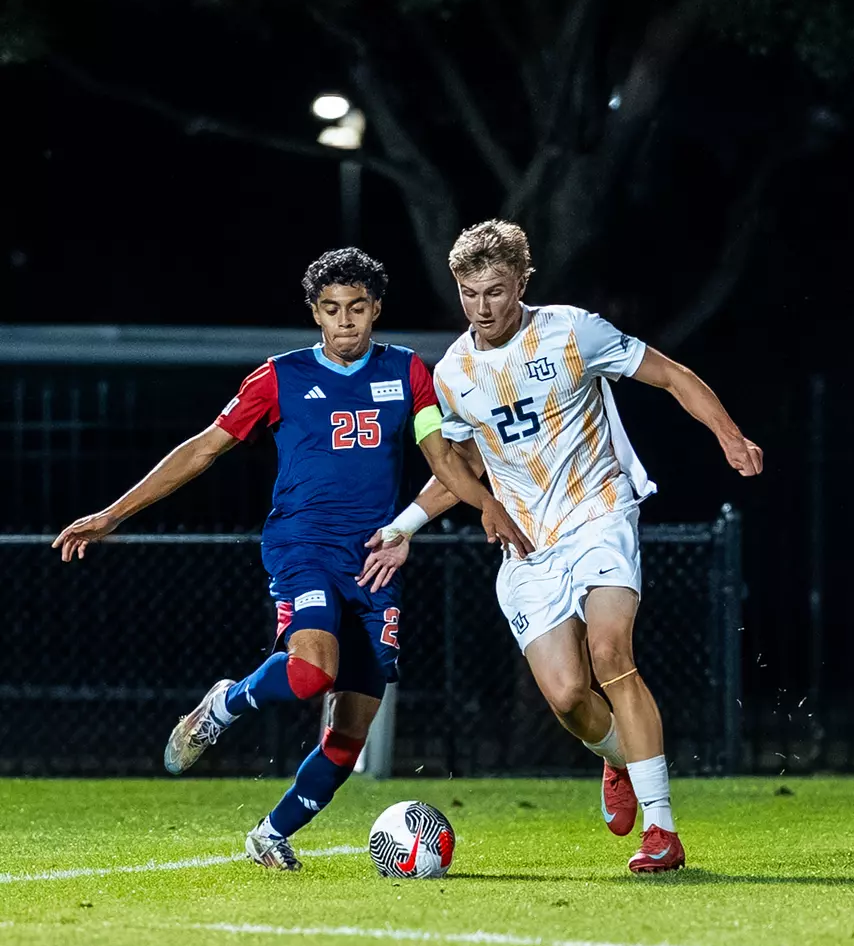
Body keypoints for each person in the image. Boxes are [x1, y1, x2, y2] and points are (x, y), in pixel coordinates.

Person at [52, 247, 530, 872]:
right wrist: (113, 514)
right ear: (315, 314)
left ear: (376, 309)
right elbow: (202, 451)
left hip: (374, 559)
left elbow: (441, 455)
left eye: (357, 308)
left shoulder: (411, 373)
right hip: (302, 547)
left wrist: (483, 504)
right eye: (332, 310)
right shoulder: (278, 377)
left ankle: (271, 833)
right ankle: (225, 703)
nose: (346, 322)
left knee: (350, 733)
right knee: (310, 673)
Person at [359, 220, 763, 874]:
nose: (481, 308)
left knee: (610, 652)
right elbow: (457, 468)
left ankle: (662, 832)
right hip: (529, 547)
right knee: (570, 697)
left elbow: (672, 375)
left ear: (522, 282)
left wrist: (729, 435)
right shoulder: (455, 373)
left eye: (494, 291)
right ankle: (616, 761)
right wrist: (404, 527)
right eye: (468, 293)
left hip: (599, 512)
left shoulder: (575, 331)